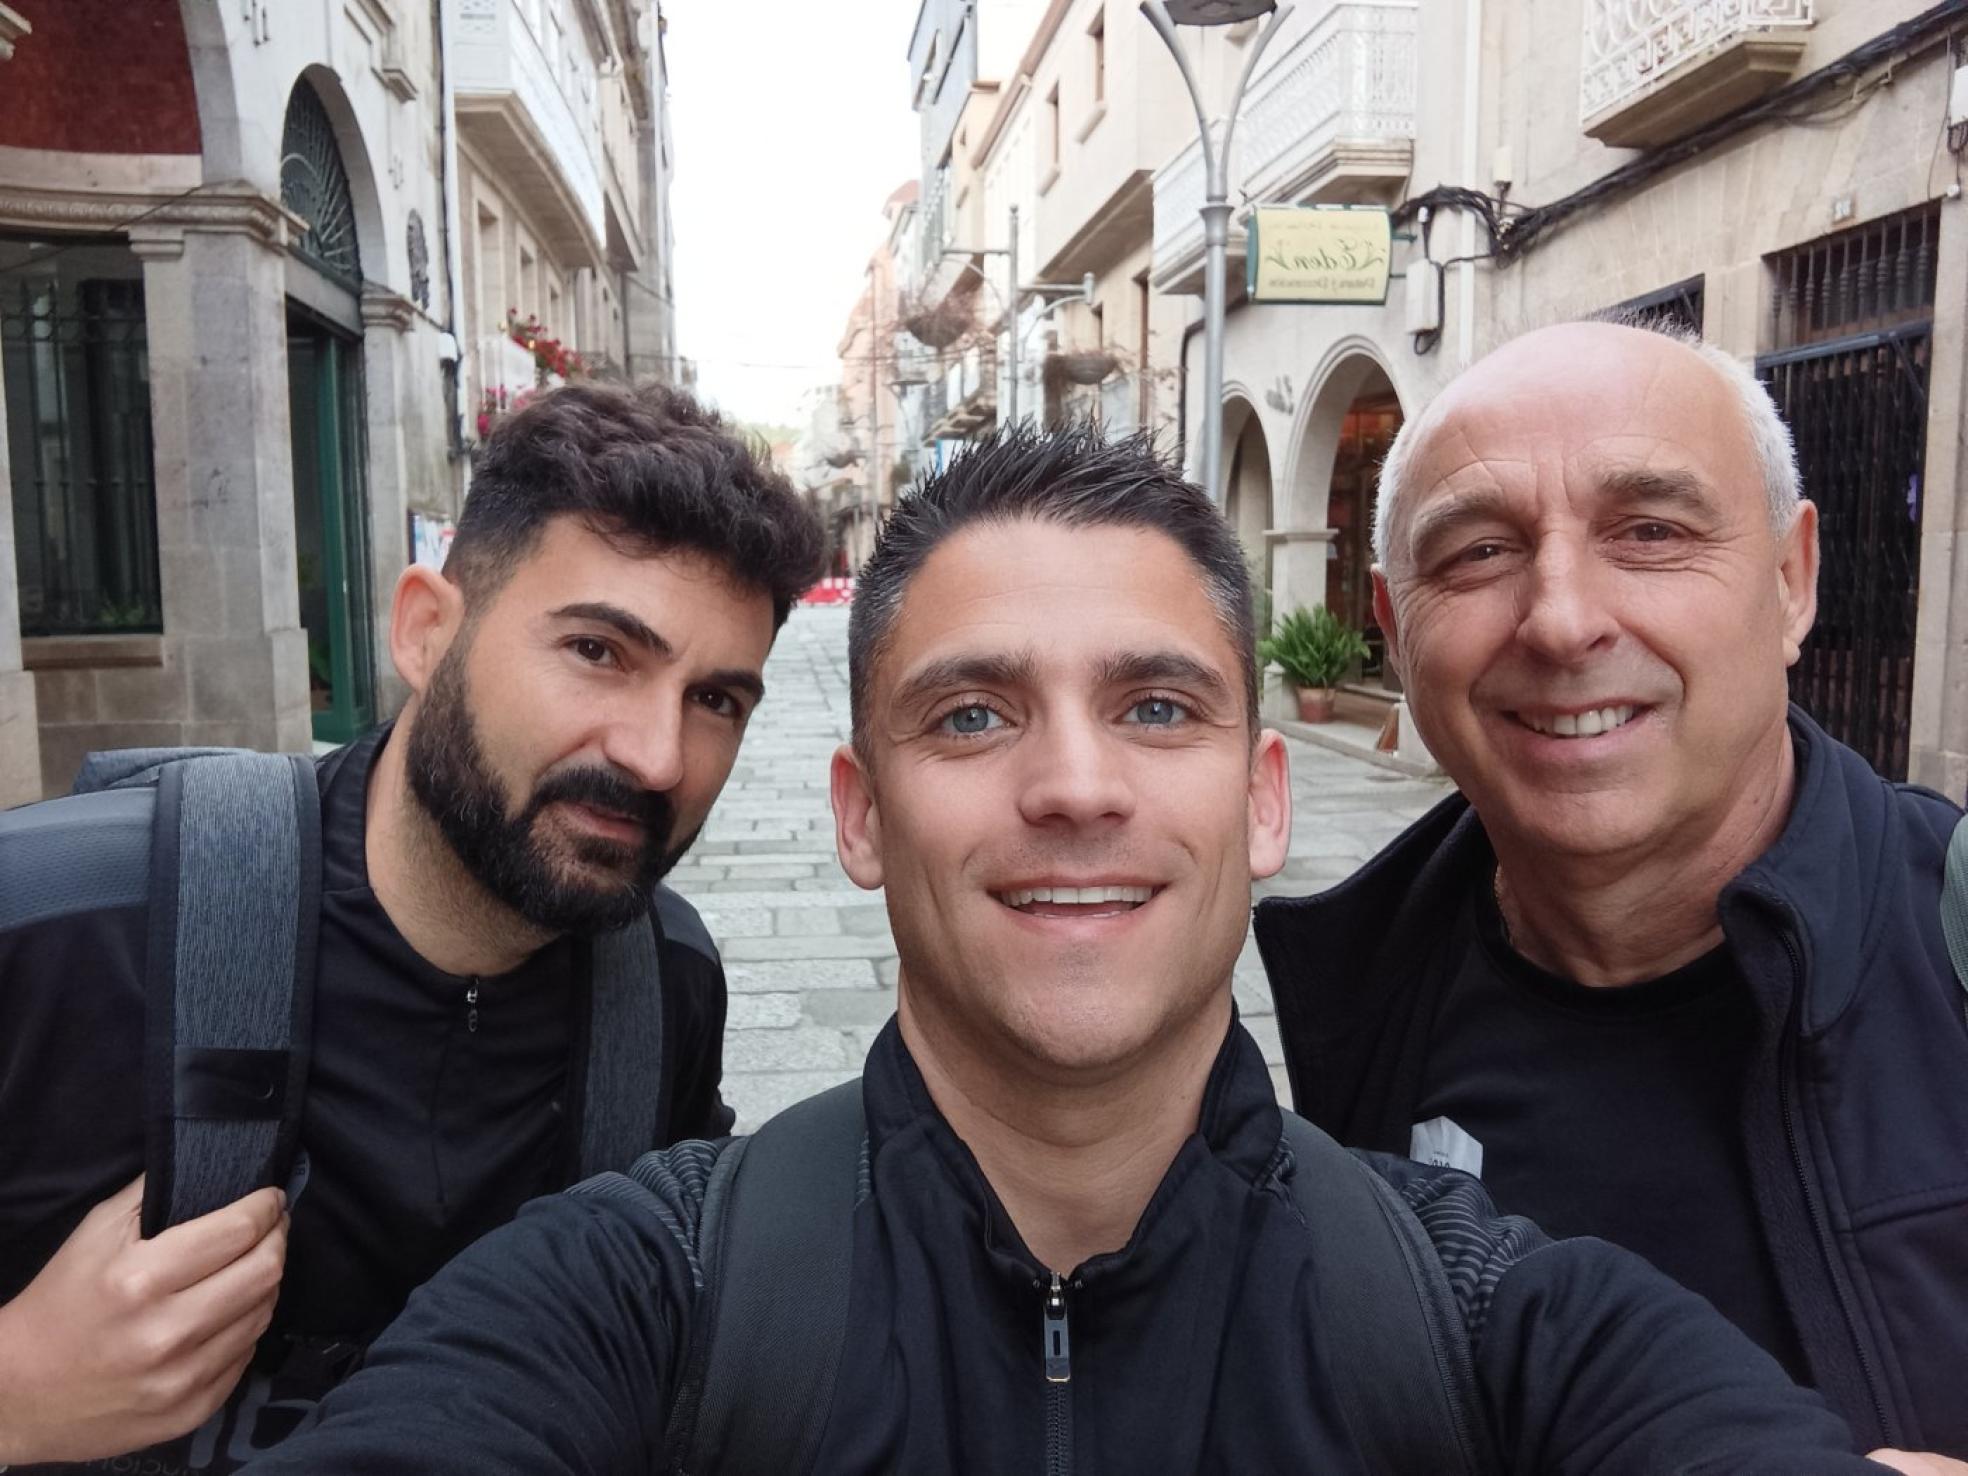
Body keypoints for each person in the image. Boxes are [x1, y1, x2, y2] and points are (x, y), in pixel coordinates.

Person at [236, 425, 1897, 1474]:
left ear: (1259, 799)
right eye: (973, 714)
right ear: (862, 812)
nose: (1075, 787)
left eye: (1154, 706)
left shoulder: (1482, 1312)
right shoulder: (643, 1289)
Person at [0, 382, 827, 1472]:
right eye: (597, 651)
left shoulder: (665, 985)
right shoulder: (59, 921)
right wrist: (20, 1392)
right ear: (427, 632)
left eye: (716, 700)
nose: (657, 756)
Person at [1255, 321, 1968, 1458]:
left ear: (1792, 584)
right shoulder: (1358, 1004)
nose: (1562, 619)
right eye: (1477, 553)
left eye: (1650, 532)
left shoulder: (1952, 941)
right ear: (1394, 633)